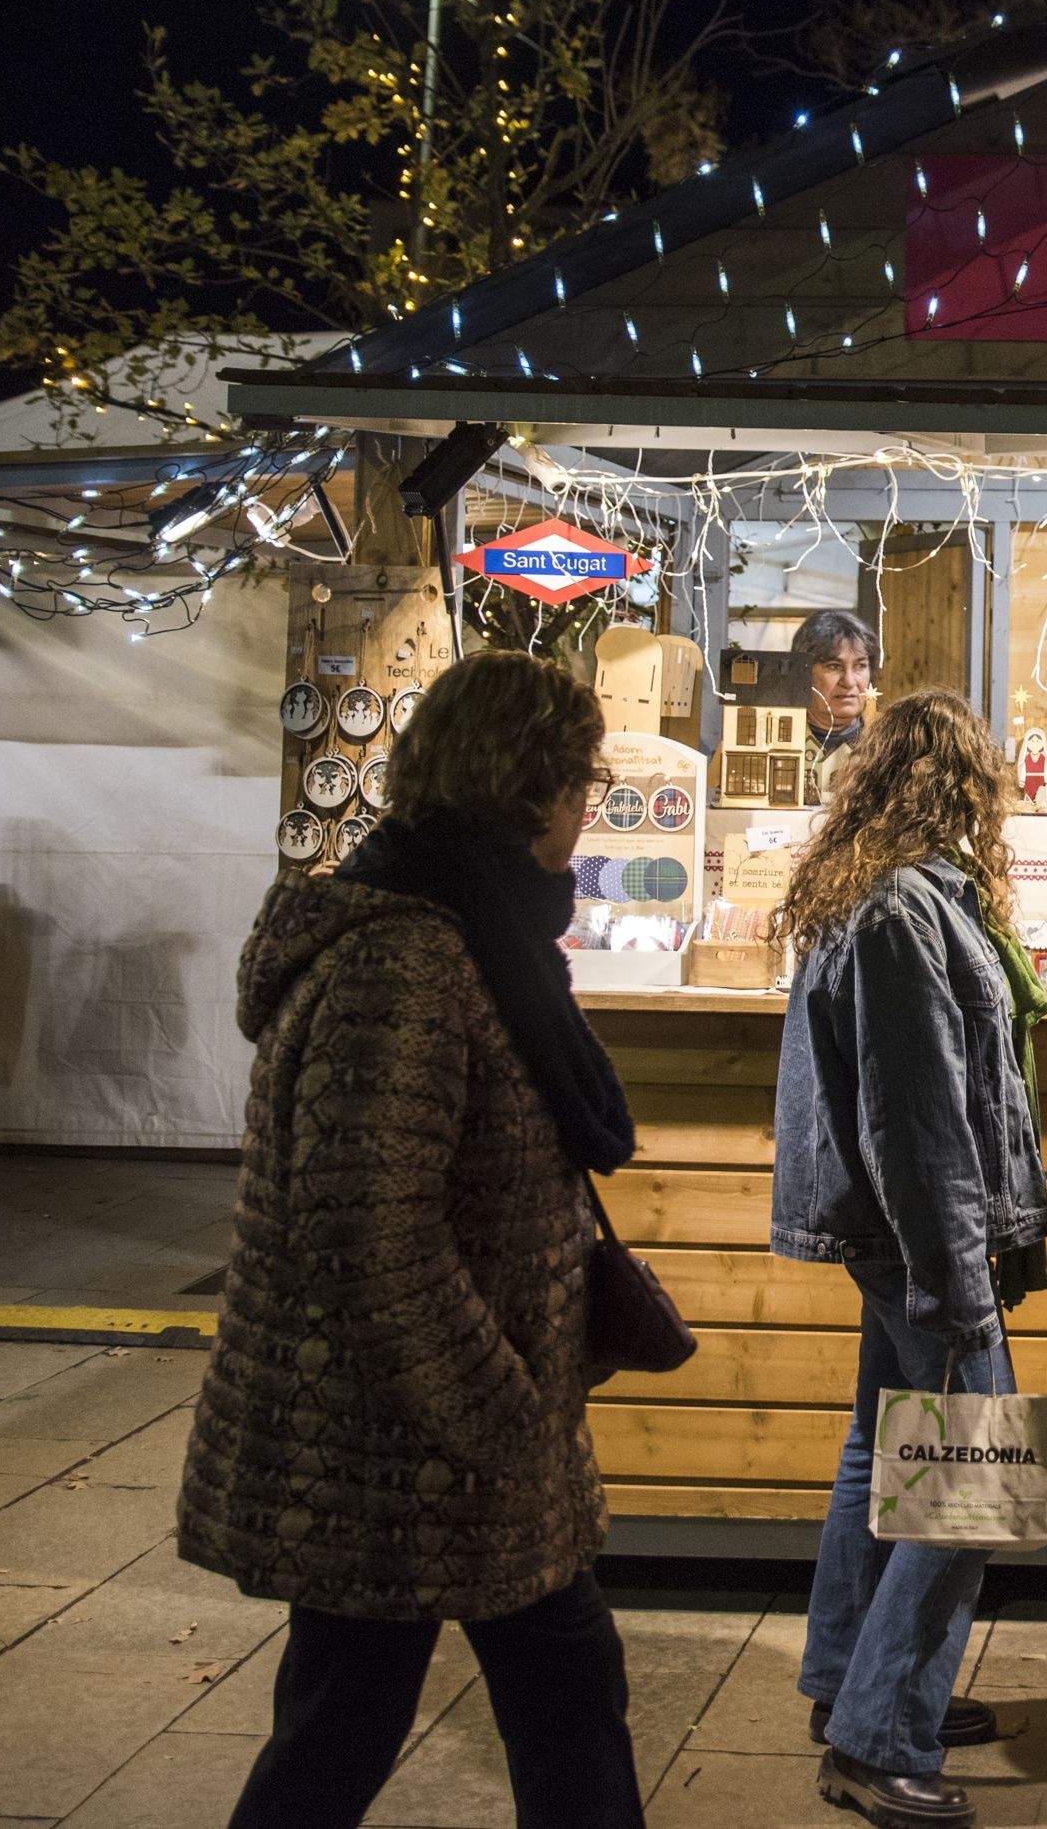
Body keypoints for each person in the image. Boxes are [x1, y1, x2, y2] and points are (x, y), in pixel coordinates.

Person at [182, 650, 648, 1829]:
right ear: (531, 789)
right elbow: (365, 1233)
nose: (587, 806)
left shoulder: (468, 929)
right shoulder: (410, 957)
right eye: (580, 780)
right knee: (368, 1728)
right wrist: (500, 1407)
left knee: (433, 1716)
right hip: (404, 1457)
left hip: (436, 1458)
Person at [772, 690, 1047, 1829]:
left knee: (876, 1450)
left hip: (892, 1238)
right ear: (959, 787)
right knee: (977, 1484)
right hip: (922, 1242)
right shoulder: (901, 912)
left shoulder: (873, 893)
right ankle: (877, 1733)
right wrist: (959, 1283)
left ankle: (850, 1676)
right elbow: (918, 1116)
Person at [796, 608, 877, 794]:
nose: (849, 681)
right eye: (834, 666)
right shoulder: (772, 733)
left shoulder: (889, 741)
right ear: (804, 671)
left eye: (860, 666)